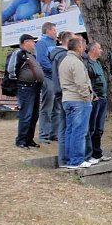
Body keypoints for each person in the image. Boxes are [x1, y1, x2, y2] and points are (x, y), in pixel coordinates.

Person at [59, 37, 93, 169]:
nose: (84, 48)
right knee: (79, 131)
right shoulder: (76, 62)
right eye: (83, 45)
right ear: (78, 47)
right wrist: (87, 97)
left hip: (67, 99)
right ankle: (77, 159)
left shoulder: (64, 61)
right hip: (79, 100)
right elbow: (81, 83)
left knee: (70, 130)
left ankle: (70, 159)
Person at [8, 34, 44, 149]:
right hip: (25, 87)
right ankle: (21, 140)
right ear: (26, 42)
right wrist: (17, 83)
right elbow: (12, 69)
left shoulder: (30, 55)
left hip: (34, 87)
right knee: (26, 115)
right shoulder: (19, 53)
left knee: (34, 115)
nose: (34, 44)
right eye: (33, 42)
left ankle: (29, 139)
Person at [84, 41, 111, 165]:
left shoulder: (98, 63)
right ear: (93, 50)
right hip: (95, 99)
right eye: (99, 48)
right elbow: (87, 82)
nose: (101, 51)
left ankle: (97, 152)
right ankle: (89, 154)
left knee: (99, 128)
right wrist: (93, 95)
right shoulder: (87, 64)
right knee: (92, 127)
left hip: (103, 98)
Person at [49, 31, 74, 166]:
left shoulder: (57, 55)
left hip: (61, 93)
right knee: (65, 128)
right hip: (66, 94)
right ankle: (65, 159)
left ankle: (64, 159)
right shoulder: (64, 55)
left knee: (64, 127)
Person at [35, 21, 58, 144]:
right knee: (47, 107)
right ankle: (44, 135)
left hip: (55, 78)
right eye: (54, 30)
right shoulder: (41, 43)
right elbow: (42, 60)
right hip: (48, 77)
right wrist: (54, 70)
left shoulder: (53, 43)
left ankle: (54, 133)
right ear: (47, 30)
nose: (56, 32)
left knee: (57, 107)